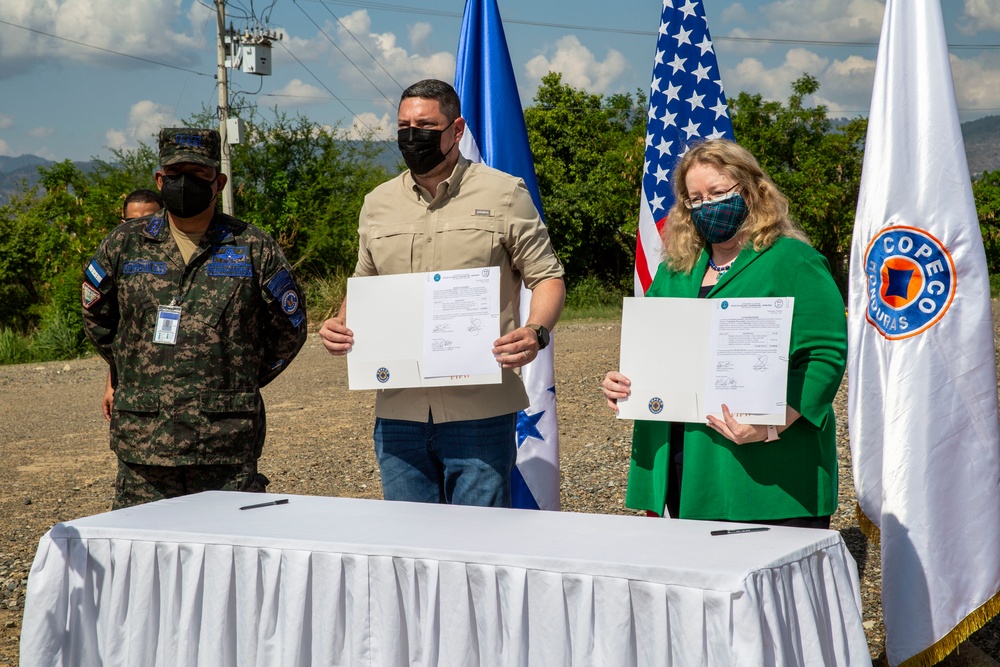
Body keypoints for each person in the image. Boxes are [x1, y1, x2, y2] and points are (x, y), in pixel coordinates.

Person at [319, 79, 565, 508]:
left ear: (455, 130)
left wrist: (536, 331)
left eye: (426, 125)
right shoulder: (376, 203)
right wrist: (340, 325)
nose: (413, 137)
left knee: (477, 549)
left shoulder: (505, 193)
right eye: (404, 126)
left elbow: (547, 276)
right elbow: (364, 283)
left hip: (480, 412)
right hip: (399, 412)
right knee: (410, 550)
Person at [601, 138, 847, 528]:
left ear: (750, 191)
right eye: (695, 199)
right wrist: (624, 383)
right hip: (685, 461)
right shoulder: (675, 269)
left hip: (769, 470)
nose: (707, 206)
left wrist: (772, 424)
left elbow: (825, 355)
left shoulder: (794, 260)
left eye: (717, 193)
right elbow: (655, 348)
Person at [82, 128, 308, 509]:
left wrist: (240, 375)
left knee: (228, 559)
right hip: (146, 442)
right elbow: (97, 318)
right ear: (159, 179)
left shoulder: (252, 247)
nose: (184, 183)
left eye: (198, 175)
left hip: (224, 441)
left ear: (217, 183)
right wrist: (132, 367)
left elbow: (290, 327)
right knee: (145, 558)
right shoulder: (124, 244)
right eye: (174, 175)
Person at [100, 188, 165, 422]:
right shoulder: (118, 259)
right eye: (132, 222)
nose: (140, 228)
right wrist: (111, 382)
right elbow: (119, 328)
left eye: (149, 221)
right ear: (122, 224)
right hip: (138, 388)